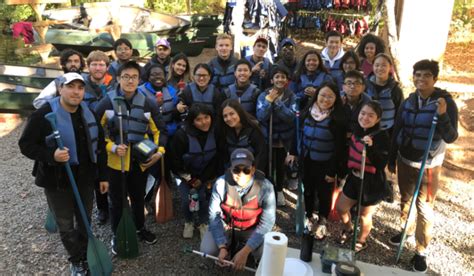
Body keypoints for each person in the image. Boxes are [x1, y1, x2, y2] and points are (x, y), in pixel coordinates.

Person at [19, 73, 109, 275]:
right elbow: (25, 145)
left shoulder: (89, 113)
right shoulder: (43, 115)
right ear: (60, 88)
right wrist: (51, 155)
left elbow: (100, 146)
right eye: (71, 87)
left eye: (80, 87)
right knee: (66, 224)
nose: (76, 92)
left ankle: (86, 254)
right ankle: (76, 260)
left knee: (85, 221)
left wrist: (103, 176)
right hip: (57, 181)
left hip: (85, 178)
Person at [388, 60, 458, 273]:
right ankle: (406, 229)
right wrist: (392, 158)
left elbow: (451, 136)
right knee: (406, 199)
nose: (421, 79)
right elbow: (398, 128)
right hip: (405, 159)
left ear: (434, 79)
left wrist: (443, 115)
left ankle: (421, 251)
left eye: (426, 75)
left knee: (425, 208)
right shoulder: (409, 100)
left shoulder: (445, 103)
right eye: (417, 75)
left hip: (428, 164)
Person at [95, 61, 167, 253]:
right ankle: (117, 234)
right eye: (125, 76)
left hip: (138, 161)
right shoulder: (107, 102)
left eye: (134, 77)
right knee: (117, 201)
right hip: (115, 163)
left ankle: (140, 227)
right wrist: (111, 147)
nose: (130, 80)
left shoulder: (148, 102)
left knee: (137, 198)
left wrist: (159, 152)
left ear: (139, 79)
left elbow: (160, 131)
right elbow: (95, 133)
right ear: (118, 78)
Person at [200, 148, 276, 271]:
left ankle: (255, 257)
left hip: (252, 229)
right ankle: (226, 250)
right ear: (230, 169)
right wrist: (222, 246)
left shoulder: (266, 187)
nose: (241, 174)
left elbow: (267, 222)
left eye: (246, 170)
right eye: (236, 169)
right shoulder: (220, 184)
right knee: (207, 250)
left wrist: (245, 251)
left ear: (253, 170)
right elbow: (214, 216)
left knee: (268, 251)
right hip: (228, 227)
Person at [336, 101, 390, 253]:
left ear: (377, 119)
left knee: (364, 214)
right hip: (354, 177)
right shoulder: (357, 131)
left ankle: (362, 240)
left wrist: (371, 148)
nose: (365, 118)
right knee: (341, 207)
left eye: (371, 115)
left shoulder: (382, 136)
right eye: (363, 113)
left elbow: (380, 164)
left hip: (371, 181)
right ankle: (349, 229)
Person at [298, 81, 346, 240]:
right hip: (307, 160)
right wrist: (293, 153)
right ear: (316, 96)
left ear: (336, 99)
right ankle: (309, 215)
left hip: (326, 163)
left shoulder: (338, 119)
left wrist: (333, 171)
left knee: (324, 193)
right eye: (322, 95)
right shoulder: (307, 112)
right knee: (309, 189)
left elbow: (340, 149)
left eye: (330, 96)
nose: (326, 99)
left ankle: (323, 220)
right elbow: (298, 134)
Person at [170, 104, 218, 239]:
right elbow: (174, 162)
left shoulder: (216, 132)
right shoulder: (181, 136)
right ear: (192, 121)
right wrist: (190, 179)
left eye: (206, 117)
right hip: (184, 174)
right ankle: (189, 221)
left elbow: (216, 160)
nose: (204, 122)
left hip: (205, 174)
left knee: (203, 198)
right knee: (187, 200)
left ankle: (203, 222)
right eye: (198, 119)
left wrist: (202, 179)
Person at [256, 66, 296, 207]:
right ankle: (266, 192)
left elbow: (291, 117)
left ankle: (279, 190)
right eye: (277, 77)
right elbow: (260, 116)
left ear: (286, 80)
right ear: (272, 80)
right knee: (266, 165)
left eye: (283, 77)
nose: (280, 79)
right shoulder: (263, 95)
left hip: (283, 139)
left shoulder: (291, 96)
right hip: (268, 138)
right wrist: (269, 101)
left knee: (280, 166)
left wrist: (277, 103)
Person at [218, 99, 267, 173]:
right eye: (225, 116)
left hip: (251, 172)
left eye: (232, 114)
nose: (229, 118)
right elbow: (223, 156)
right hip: (233, 172)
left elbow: (261, 155)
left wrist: (255, 173)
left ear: (239, 112)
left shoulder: (253, 129)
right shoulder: (224, 130)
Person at [365, 53, 404, 135]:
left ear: (390, 67)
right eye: (377, 65)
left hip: (387, 133)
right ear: (373, 67)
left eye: (384, 65)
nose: (380, 68)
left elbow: (400, 114)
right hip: (366, 131)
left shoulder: (395, 90)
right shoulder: (365, 86)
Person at [138, 63, 180, 137]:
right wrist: (155, 106)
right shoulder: (140, 91)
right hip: (149, 132)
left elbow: (176, 114)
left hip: (170, 130)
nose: (157, 77)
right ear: (148, 77)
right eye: (153, 74)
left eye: (160, 74)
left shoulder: (171, 91)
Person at [341, 70, 371, 138]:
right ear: (343, 87)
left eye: (357, 83)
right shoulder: (336, 98)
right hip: (338, 134)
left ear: (363, 87)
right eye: (349, 83)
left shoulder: (368, 102)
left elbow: (369, 123)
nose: (352, 86)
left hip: (359, 136)